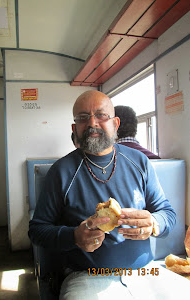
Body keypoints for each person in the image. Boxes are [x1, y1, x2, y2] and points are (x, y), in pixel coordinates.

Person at [29, 90, 176, 299]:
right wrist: (74, 237)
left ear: (115, 124)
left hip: (145, 271)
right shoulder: (61, 172)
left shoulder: (140, 162)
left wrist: (154, 222)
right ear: (74, 128)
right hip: (87, 276)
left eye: (101, 115)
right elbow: (37, 230)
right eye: (82, 117)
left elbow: (168, 214)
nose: (92, 123)